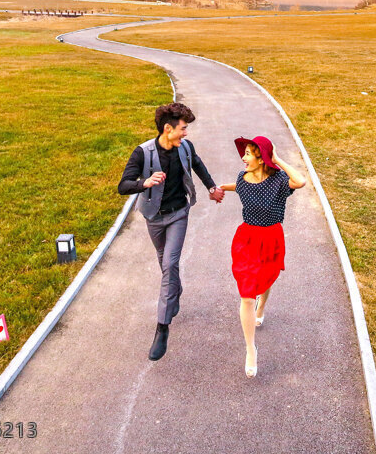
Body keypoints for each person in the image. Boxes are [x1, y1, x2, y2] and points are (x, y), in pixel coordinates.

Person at [118, 102, 224, 361]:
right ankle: (174, 293)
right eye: (183, 128)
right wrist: (145, 182)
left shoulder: (185, 148)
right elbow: (123, 186)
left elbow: (197, 164)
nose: (186, 133)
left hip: (179, 213)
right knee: (165, 264)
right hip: (153, 217)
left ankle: (162, 328)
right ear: (168, 128)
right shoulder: (143, 152)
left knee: (170, 263)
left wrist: (211, 188)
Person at [217, 135, 307, 377]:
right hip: (246, 239)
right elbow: (243, 188)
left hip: (271, 238)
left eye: (248, 153)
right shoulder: (241, 177)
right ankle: (250, 349)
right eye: (244, 153)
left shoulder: (279, 180)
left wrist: (277, 159)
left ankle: (262, 307)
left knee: (266, 281)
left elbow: (300, 181)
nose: (243, 158)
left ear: (261, 158)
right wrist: (222, 187)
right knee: (247, 293)